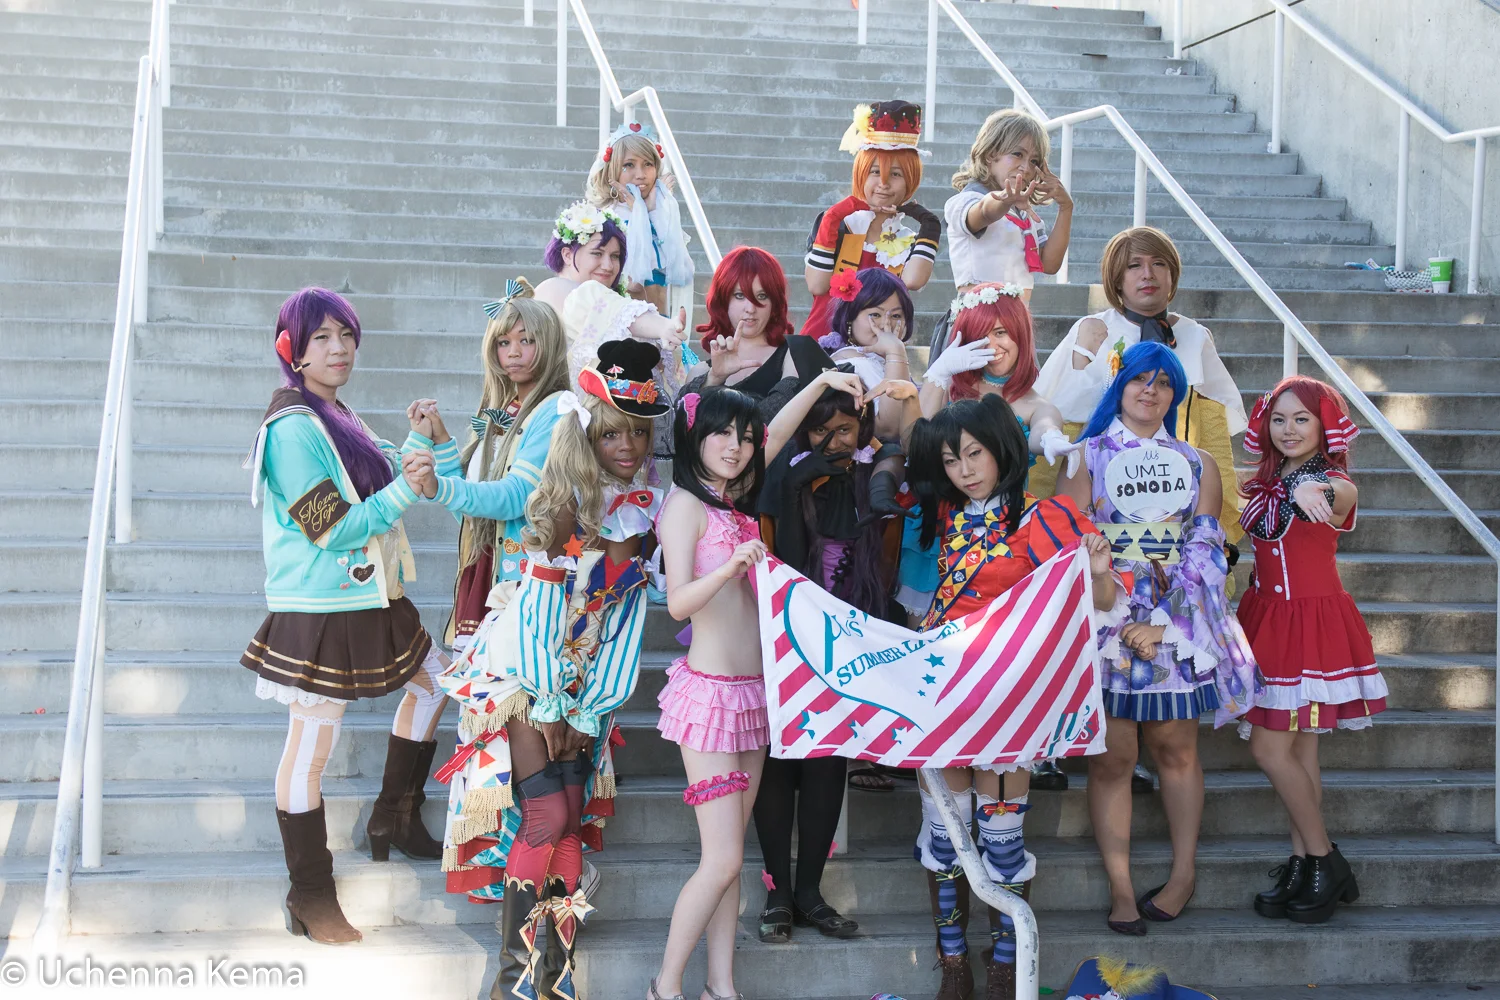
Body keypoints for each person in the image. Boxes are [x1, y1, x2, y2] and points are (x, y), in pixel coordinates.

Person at [408, 341, 668, 999]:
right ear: (588, 434)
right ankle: (514, 978)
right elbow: (546, 611)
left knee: (570, 818)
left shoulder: (638, 507)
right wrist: (553, 704)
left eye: (639, 433)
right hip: (526, 671)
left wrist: (587, 707)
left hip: (583, 682)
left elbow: (612, 617)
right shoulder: (564, 502)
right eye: (613, 433)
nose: (628, 446)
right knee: (548, 814)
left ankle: (557, 973)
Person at [240, 287, 451, 944]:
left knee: (436, 681)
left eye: (347, 335)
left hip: (369, 595)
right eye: (323, 337)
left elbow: (385, 473)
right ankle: (309, 892)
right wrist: (405, 487)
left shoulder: (337, 414)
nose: (340, 349)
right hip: (320, 607)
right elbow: (333, 528)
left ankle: (395, 815)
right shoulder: (291, 429)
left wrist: (420, 440)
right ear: (292, 350)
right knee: (311, 746)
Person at [904, 394, 1122, 1000]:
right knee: (945, 837)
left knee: (1002, 842)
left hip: (1010, 698)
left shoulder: (1046, 517)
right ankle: (953, 964)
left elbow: (1104, 600)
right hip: (944, 692)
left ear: (1003, 450)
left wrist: (1099, 570)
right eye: (952, 460)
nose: (964, 470)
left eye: (975, 454)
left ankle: (1007, 965)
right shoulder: (941, 514)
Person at [648, 381, 851, 1000]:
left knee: (732, 855)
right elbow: (676, 604)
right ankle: (665, 988)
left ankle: (722, 986)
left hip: (753, 697)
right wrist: (731, 568)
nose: (735, 446)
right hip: (709, 699)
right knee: (723, 858)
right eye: (720, 434)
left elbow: (776, 433)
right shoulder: (685, 506)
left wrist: (821, 382)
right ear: (695, 439)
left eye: (742, 436)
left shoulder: (734, 506)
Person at [1056, 342, 1259, 937]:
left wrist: (1163, 622)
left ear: (1176, 393)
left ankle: (1183, 875)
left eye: (1164, 382)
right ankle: (1120, 887)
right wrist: (1114, 599)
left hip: (1177, 621)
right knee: (1113, 756)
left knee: (1177, 749)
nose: (1151, 390)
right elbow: (1068, 540)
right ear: (1118, 386)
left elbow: (1208, 550)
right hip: (1105, 615)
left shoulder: (1199, 463)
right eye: (1140, 379)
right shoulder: (1086, 456)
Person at [423, 283, 571, 902]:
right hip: (490, 580)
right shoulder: (503, 407)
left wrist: (441, 487)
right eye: (503, 341)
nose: (513, 352)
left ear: (549, 344)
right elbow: (469, 490)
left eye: (526, 340)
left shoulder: (557, 409)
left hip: (527, 590)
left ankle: (539, 895)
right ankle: (514, 892)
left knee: (530, 748)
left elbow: (516, 497)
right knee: (496, 745)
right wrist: (437, 443)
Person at [751, 368, 910, 942]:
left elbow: (885, 566)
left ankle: (811, 894)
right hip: (785, 640)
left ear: (862, 426)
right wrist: (800, 484)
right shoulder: (784, 475)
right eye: (822, 430)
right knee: (778, 766)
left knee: (826, 767)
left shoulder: (876, 476)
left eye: (845, 429)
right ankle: (778, 895)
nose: (834, 441)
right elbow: (787, 564)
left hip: (849, 646)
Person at [1237, 376, 1385, 924]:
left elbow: (1342, 495)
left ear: (1325, 426)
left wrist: (1313, 489)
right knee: (1300, 752)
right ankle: (1303, 863)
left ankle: (1325, 859)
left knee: (1269, 749)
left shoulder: (1333, 480)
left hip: (1310, 623)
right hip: (1267, 618)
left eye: (1302, 419)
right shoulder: (1269, 482)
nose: (1289, 429)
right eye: (1279, 419)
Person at [1031, 226, 1247, 535]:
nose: (1148, 274)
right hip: (1101, 505)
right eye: (1134, 265)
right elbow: (1063, 417)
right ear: (1117, 278)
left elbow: (1213, 433)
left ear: (1172, 274)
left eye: (1158, 263)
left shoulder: (1195, 336)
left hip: (1175, 500)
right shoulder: (1091, 330)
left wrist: (1219, 524)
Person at [927, 108, 1073, 364]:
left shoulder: (1025, 214)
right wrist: (1005, 200)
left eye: (1035, 161)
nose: (1026, 167)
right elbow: (983, 213)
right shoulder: (966, 200)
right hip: (978, 323)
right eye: (1017, 154)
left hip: (1016, 325)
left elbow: (1050, 264)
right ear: (990, 154)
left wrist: (1066, 208)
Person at [801, 100, 940, 341]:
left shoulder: (908, 239)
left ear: (911, 180)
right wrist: (835, 214)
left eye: (895, 174)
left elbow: (912, 281)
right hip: (819, 349)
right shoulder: (838, 224)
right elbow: (817, 286)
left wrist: (930, 224)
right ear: (861, 173)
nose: (883, 183)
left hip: (877, 352)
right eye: (875, 172)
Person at [680, 245, 834, 420]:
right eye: (740, 295)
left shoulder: (797, 353)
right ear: (723, 300)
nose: (751, 308)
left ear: (774, 302)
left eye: (762, 296)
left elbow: (772, 421)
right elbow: (681, 429)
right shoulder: (700, 372)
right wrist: (714, 378)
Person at [584, 120, 695, 325]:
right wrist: (640, 214)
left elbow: (684, 271)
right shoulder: (606, 220)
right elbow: (632, 283)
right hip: (624, 328)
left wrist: (653, 212)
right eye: (629, 165)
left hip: (661, 326)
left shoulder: (660, 213)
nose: (641, 175)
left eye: (648, 164)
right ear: (612, 170)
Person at [817, 266, 917, 440]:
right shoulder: (855, 363)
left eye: (895, 316)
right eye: (875, 315)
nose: (886, 324)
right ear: (850, 318)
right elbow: (890, 431)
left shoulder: (878, 359)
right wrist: (895, 352)